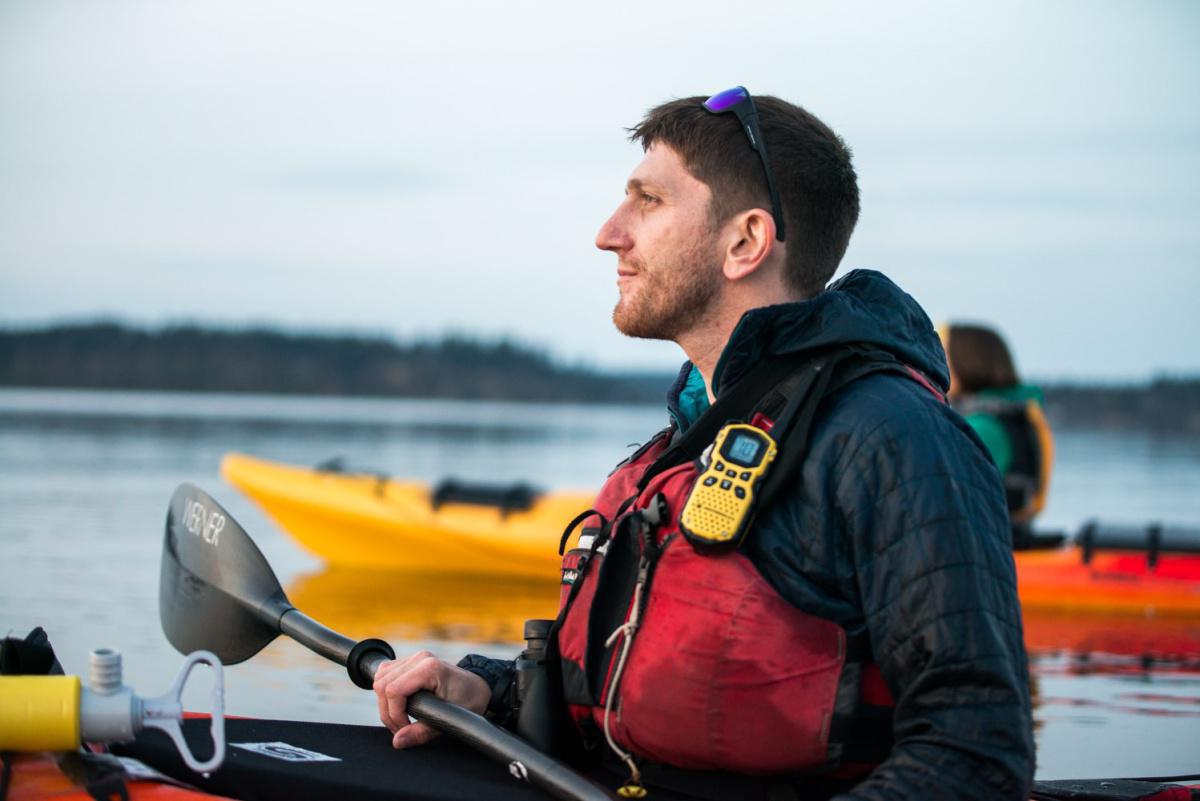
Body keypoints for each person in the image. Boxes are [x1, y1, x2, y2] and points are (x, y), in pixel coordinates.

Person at [373, 88, 1034, 801]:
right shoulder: (682, 444)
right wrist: (484, 691)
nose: (607, 233)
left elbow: (975, 752)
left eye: (648, 201)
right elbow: (624, 693)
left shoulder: (893, 437)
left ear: (745, 242)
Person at [940, 322, 1055, 548]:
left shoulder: (982, 426)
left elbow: (944, 500)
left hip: (988, 546)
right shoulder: (1014, 412)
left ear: (967, 362)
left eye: (942, 354)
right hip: (1010, 537)